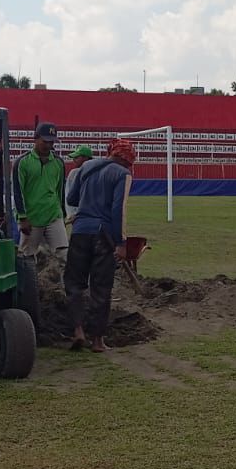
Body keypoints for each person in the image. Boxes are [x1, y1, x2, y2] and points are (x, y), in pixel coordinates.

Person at [62, 138, 135, 352]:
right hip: (103, 235)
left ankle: (77, 331)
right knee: (101, 287)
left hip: (80, 231)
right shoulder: (122, 174)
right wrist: (121, 243)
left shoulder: (86, 167)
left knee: (75, 283)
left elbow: (73, 199)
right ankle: (97, 340)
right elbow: (117, 210)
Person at [13, 122, 68, 256]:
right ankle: (29, 278)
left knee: (63, 255)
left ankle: (60, 278)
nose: (49, 145)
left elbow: (60, 190)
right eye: (45, 141)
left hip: (53, 216)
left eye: (52, 142)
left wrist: (63, 214)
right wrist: (23, 218)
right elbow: (17, 191)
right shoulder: (22, 162)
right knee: (27, 257)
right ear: (35, 138)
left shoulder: (58, 162)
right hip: (31, 218)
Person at [63, 145, 95, 226]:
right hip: (85, 216)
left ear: (85, 158)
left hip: (85, 216)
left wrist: (71, 214)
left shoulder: (75, 173)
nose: (74, 159)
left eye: (77, 157)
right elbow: (68, 195)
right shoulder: (74, 173)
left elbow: (68, 195)